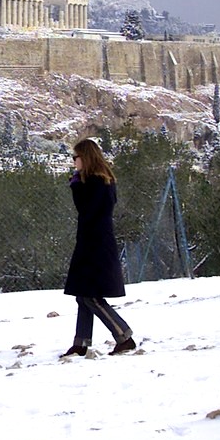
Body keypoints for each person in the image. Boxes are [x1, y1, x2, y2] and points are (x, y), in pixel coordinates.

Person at [60, 138, 136, 358]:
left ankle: (124, 335)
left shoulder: (95, 183)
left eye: (76, 158)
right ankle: (81, 342)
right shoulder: (102, 181)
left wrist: (75, 184)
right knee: (83, 293)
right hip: (94, 242)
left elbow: (86, 210)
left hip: (95, 245)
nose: (74, 162)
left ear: (86, 157)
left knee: (90, 295)